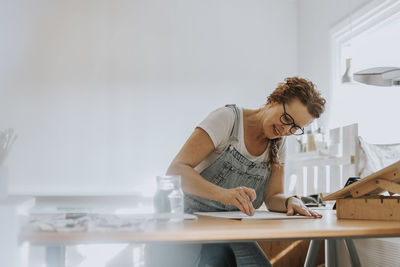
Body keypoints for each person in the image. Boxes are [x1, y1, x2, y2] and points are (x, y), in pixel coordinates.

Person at [154, 77, 326, 267]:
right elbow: (176, 171)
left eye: (295, 128)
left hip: (229, 226)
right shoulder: (227, 119)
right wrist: (223, 194)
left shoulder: (279, 143)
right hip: (189, 219)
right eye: (286, 119)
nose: (285, 130)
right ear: (275, 100)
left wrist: (289, 201)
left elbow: (272, 196)